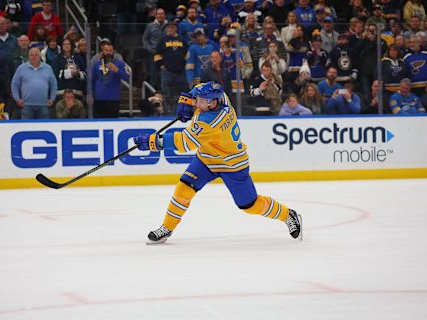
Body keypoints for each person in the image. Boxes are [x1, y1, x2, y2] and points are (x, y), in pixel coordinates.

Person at [133, 81, 302, 244]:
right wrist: (187, 99)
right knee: (183, 190)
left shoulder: (211, 122)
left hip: (232, 164)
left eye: (201, 101)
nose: (197, 103)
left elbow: (184, 143)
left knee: (250, 205)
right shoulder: (222, 98)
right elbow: (203, 87)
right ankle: (166, 228)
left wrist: (153, 142)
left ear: (213, 103)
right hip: (207, 159)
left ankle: (288, 215)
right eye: (197, 100)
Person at [11, 47, 57, 119]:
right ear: (28, 56)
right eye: (31, 55)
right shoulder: (21, 68)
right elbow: (14, 84)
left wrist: (52, 98)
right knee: (26, 128)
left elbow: (53, 84)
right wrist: (17, 99)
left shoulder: (48, 68)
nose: (34, 57)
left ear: (40, 56)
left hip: (44, 105)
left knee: (43, 128)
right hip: (26, 105)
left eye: (36, 55)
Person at [155, 21, 189, 113]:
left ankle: (182, 111)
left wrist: (184, 64)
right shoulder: (162, 40)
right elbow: (157, 54)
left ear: (175, 28)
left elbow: (187, 53)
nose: (170, 29)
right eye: (168, 27)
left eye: (172, 27)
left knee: (182, 93)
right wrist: (161, 65)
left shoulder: (182, 40)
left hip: (181, 71)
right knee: (166, 94)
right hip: (167, 72)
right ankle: (167, 112)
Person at [90, 42, 130, 118]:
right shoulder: (96, 64)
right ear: (102, 51)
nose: (108, 52)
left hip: (114, 99)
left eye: (110, 50)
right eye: (106, 50)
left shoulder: (120, 64)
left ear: (113, 51)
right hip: (99, 99)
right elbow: (91, 81)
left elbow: (126, 77)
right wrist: (90, 94)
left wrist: (116, 70)